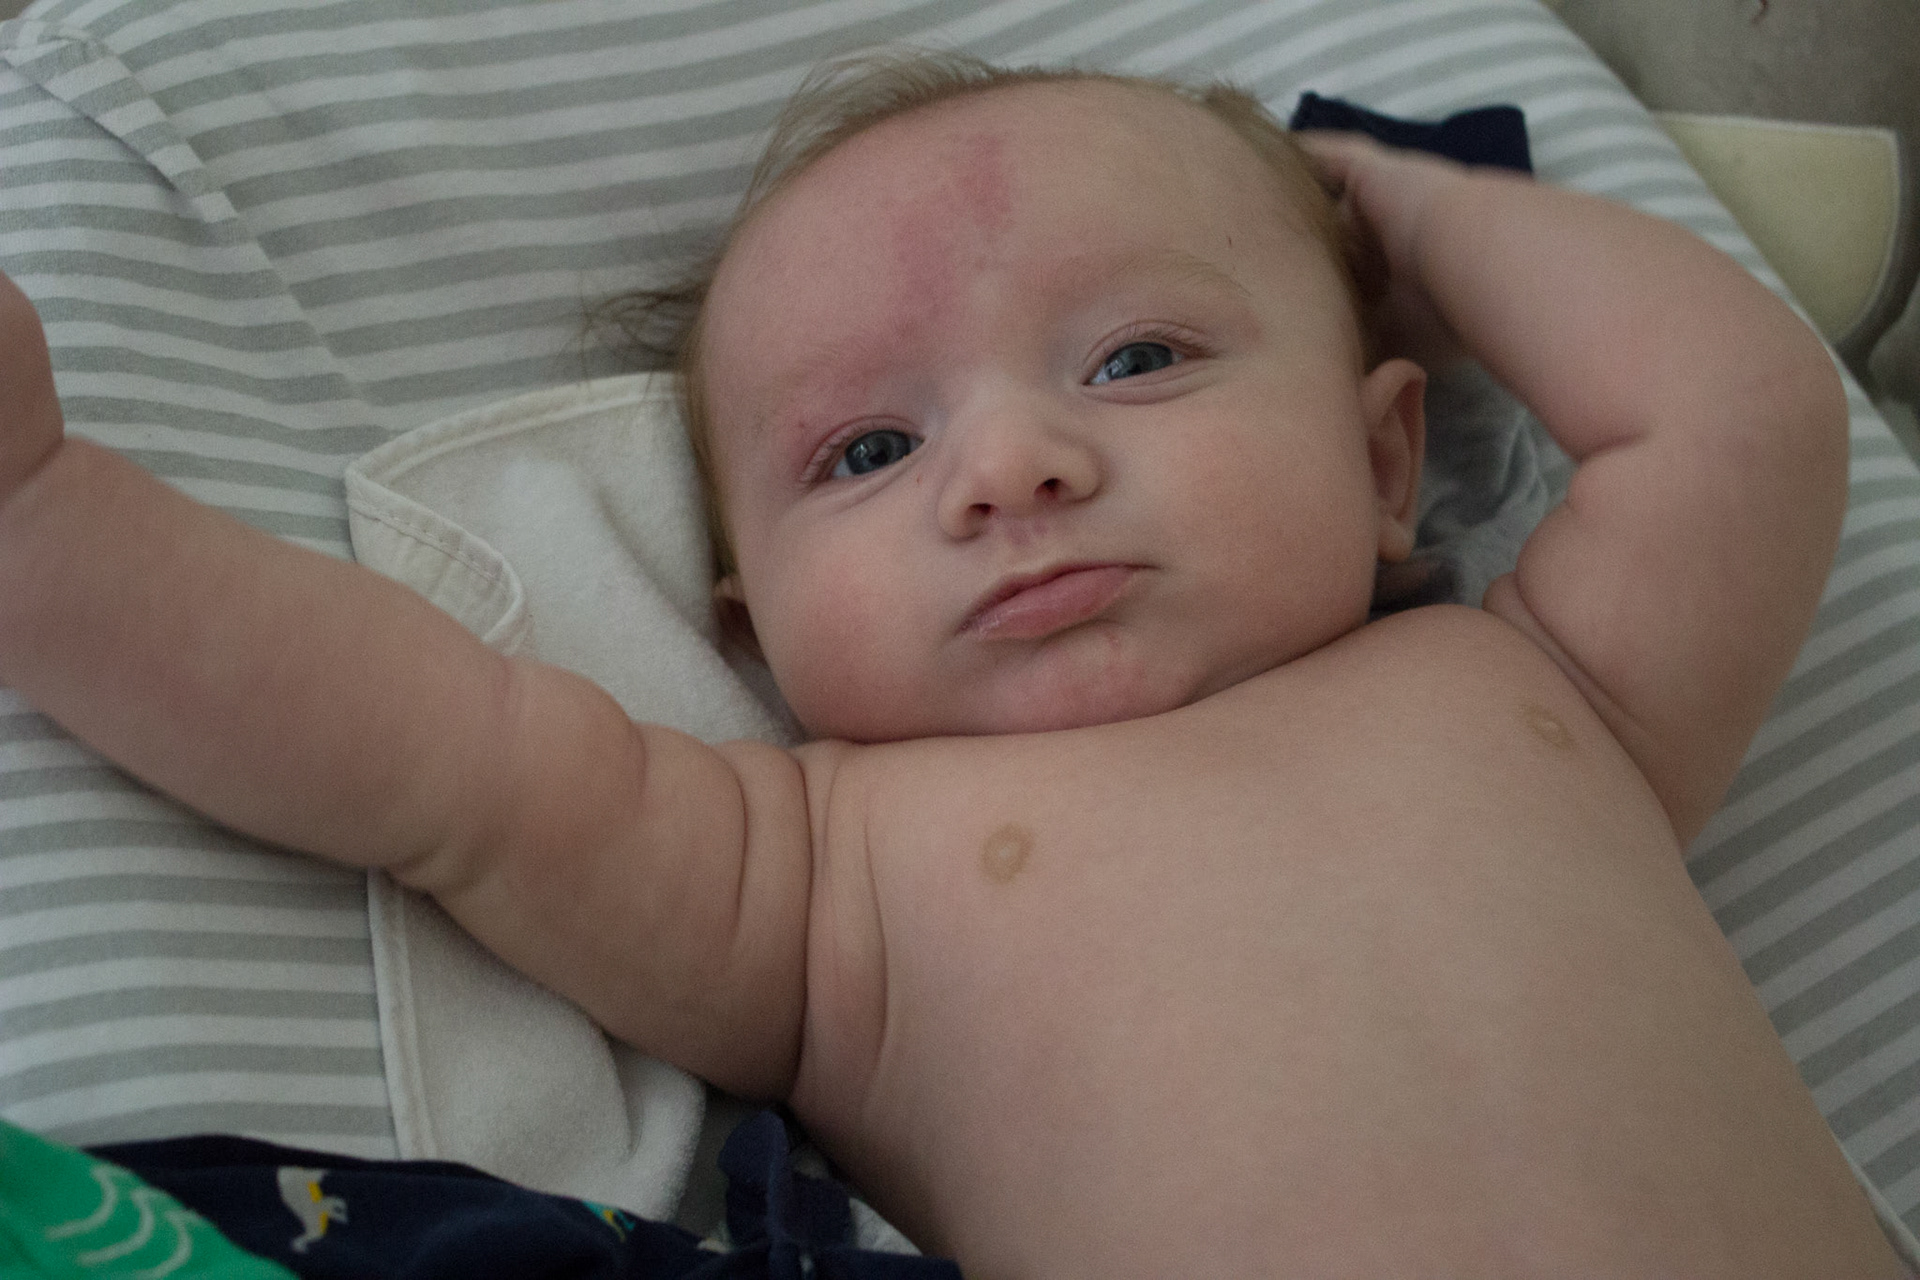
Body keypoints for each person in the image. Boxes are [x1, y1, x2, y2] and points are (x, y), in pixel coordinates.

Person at [0, 48, 1901, 1278]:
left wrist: (1406, 195)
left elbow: (1739, 418)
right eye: (868, 452)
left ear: (1386, 459)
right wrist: (42, 517)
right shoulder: (825, 876)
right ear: (751, 629)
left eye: (1140, 358)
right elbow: (440, 756)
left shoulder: (1548, 692)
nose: (1012, 468)